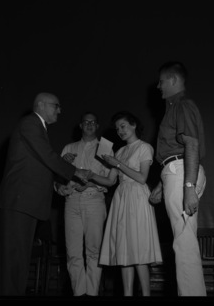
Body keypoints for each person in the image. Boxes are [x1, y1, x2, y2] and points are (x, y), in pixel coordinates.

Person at [0, 92, 91, 296]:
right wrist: (75, 171)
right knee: (14, 262)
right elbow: (47, 155)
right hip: (19, 201)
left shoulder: (37, 128)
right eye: (56, 105)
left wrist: (57, 187)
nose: (60, 110)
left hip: (25, 202)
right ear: (41, 105)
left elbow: (37, 166)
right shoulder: (30, 123)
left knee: (13, 262)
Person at [87, 111, 162, 296]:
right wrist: (89, 176)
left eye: (123, 126)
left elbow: (142, 178)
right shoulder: (119, 151)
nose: (120, 131)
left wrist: (118, 164)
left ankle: (146, 293)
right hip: (121, 198)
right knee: (124, 251)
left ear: (134, 125)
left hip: (137, 197)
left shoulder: (144, 147)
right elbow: (110, 181)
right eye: (117, 128)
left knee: (138, 250)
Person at [148, 61, 207, 296]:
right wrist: (163, 183)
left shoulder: (182, 104)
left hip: (183, 173)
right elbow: (176, 150)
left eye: (161, 81)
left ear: (173, 80)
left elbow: (191, 145)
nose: (158, 86)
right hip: (177, 172)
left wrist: (189, 187)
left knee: (184, 244)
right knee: (183, 242)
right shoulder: (174, 107)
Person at [54, 111, 112, 297]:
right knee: (73, 252)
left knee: (94, 251)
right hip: (71, 203)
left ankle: (92, 293)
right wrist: (60, 186)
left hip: (94, 200)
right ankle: (79, 293)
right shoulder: (68, 148)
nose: (89, 125)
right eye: (85, 122)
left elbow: (111, 178)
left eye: (93, 122)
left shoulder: (105, 147)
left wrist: (91, 182)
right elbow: (57, 178)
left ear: (97, 126)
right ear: (80, 125)